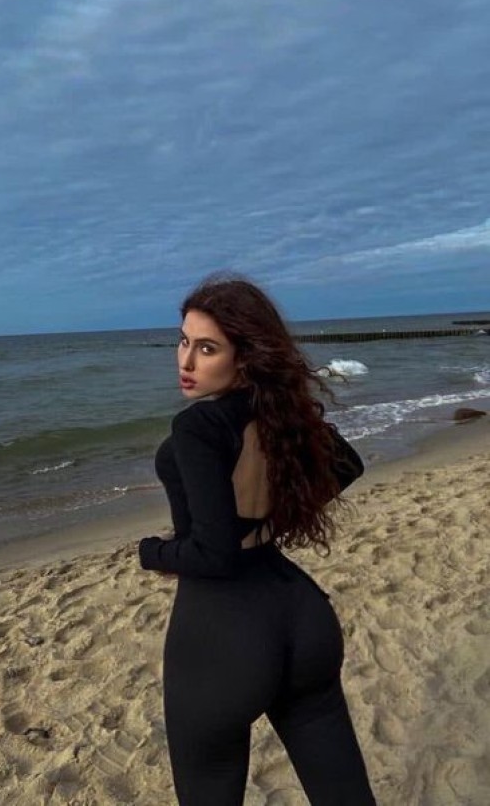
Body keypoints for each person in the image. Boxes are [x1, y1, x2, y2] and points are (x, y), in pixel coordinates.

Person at [138, 275, 376, 806]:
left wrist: (151, 553)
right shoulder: (280, 412)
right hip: (302, 617)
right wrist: (271, 525)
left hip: (224, 635)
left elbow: (214, 554)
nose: (186, 361)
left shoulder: (198, 427)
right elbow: (348, 463)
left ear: (244, 356)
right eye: (183, 341)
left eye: (207, 348)